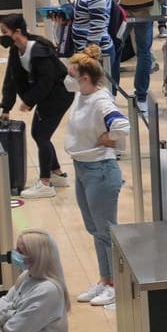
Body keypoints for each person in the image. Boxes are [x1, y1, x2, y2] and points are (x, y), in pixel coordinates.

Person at [64, 47, 129, 306]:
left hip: (100, 171)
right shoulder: (82, 94)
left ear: (85, 78)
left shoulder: (101, 100)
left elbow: (122, 125)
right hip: (81, 168)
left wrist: (110, 139)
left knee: (106, 231)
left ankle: (116, 284)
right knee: (94, 229)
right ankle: (105, 279)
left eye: (72, 75)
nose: (68, 79)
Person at [0, 14, 72, 199]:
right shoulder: (15, 50)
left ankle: (45, 182)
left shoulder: (39, 51)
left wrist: (29, 101)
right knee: (41, 134)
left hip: (59, 95)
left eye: (5, 32)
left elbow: (46, 82)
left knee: (41, 134)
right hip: (47, 95)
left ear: (18, 32)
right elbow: (11, 79)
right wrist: (6, 107)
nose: (2, 36)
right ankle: (57, 173)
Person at [0, 230, 70, 332]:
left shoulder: (47, 290)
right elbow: (1, 304)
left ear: (37, 256)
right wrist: (10, 313)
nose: (16, 254)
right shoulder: (26, 277)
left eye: (21, 252)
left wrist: (7, 314)